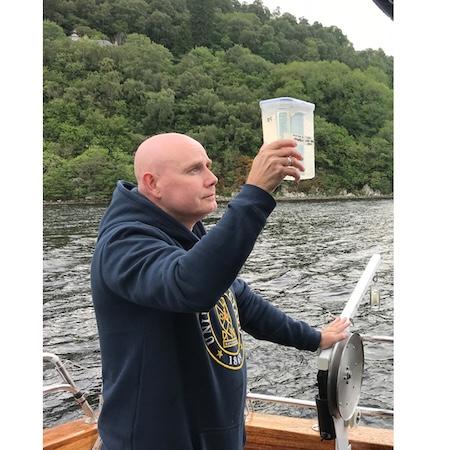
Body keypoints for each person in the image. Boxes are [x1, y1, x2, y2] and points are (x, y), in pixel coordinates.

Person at [90, 132, 350, 450]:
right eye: (194, 170)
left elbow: (244, 303)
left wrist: (314, 338)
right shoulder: (123, 243)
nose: (212, 178)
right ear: (153, 184)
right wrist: (256, 193)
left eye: (209, 166)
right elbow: (189, 287)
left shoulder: (189, 235)